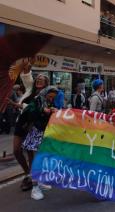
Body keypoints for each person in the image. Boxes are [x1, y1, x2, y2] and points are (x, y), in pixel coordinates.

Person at [12, 61, 50, 192]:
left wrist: (20, 105)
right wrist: (27, 62)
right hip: (21, 123)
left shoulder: (46, 95)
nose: (39, 80)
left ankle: (31, 178)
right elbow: (27, 74)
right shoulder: (30, 89)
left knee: (31, 153)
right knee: (16, 151)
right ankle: (28, 173)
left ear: (46, 83)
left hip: (34, 126)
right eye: (38, 78)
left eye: (42, 79)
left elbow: (40, 109)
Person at [22, 86, 59, 200]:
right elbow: (31, 113)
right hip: (35, 134)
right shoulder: (38, 100)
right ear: (46, 93)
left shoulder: (47, 101)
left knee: (42, 160)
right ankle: (35, 188)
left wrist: (53, 111)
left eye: (53, 97)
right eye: (50, 96)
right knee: (35, 161)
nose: (51, 99)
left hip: (43, 134)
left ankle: (40, 182)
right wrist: (43, 111)